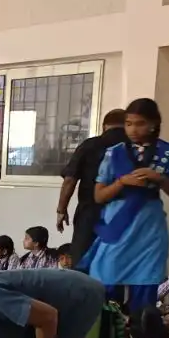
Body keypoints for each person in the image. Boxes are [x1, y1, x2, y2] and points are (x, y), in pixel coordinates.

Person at [79, 98, 169, 311]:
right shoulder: (114, 153)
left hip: (149, 229)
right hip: (117, 227)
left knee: (144, 291)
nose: (133, 129)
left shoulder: (167, 152)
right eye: (129, 123)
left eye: (139, 123)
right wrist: (121, 182)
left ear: (153, 124)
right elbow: (99, 196)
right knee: (106, 284)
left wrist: (159, 178)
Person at [56, 108, 127, 263]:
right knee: (117, 262)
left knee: (83, 259)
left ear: (104, 126)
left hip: (90, 212)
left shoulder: (90, 145)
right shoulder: (134, 147)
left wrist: (61, 210)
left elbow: (70, 180)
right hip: (125, 214)